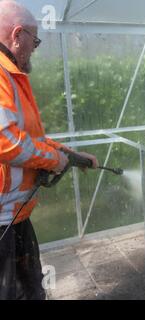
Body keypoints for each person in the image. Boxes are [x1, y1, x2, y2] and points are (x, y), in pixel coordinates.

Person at [0, 1, 98, 300]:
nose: (36, 48)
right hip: (2, 222)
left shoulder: (11, 76)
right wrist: (56, 160)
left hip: (14, 216)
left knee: (30, 289)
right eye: (35, 39)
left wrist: (68, 154)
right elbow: (5, 140)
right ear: (17, 35)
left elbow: (30, 137)